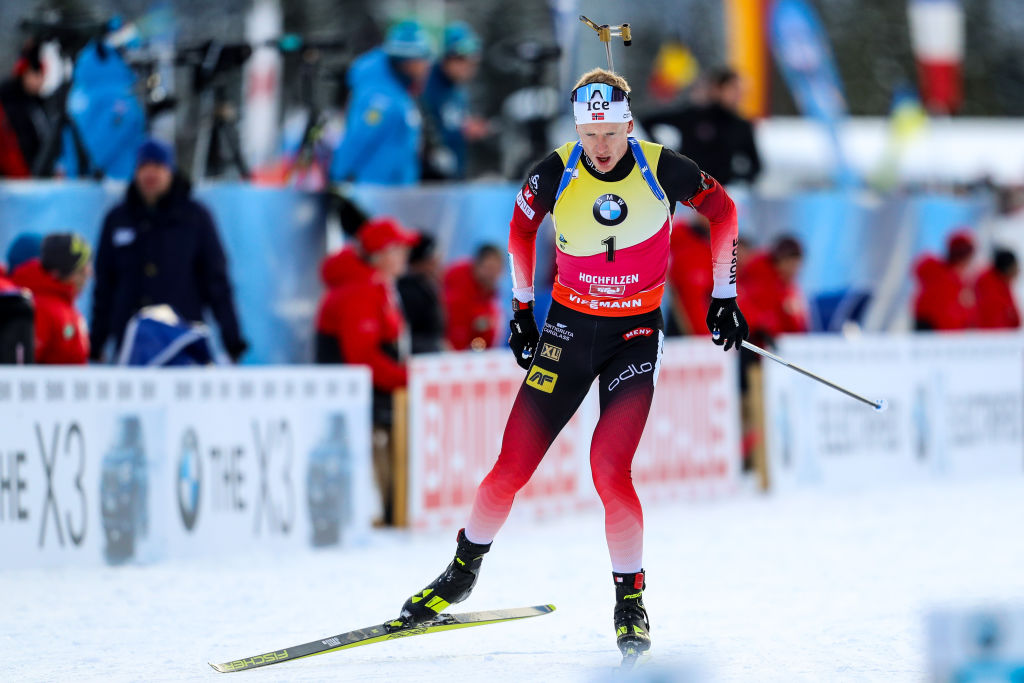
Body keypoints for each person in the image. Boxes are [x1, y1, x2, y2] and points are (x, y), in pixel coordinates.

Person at [397, 68, 747, 659]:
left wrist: (724, 295)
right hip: (568, 328)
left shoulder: (663, 166)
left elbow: (725, 213)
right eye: (590, 134)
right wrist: (520, 309)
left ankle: (630, 602)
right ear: (578, 130)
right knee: (511, 466)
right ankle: (462, 570)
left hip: (634, 334)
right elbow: (518, 230)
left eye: (611, 133)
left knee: (609, 470)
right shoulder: (554, 170)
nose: (601, 148)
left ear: (628, 126)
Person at [90, 139, 248, 362]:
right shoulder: (117, 219)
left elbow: (217, 282)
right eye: (144, 166)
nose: (151, 173)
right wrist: (96, 342)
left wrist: (233, 340)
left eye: (158, 166)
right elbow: (104, 287)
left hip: (182, 340)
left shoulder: (195, 217)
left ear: (170, 170)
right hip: (130, 342)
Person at [315, 217, 417, 524]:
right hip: (361, 404)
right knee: (375, 464)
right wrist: (407, 379)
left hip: (372, 399)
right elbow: (362, 357)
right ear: (382, 254)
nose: (405, 255)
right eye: (399, 249)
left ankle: (387, 513)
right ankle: (382, 515)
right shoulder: (360, 291)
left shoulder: (376, 285)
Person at [329, 20, 433, 185]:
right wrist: (339, 177)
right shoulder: (380, 98)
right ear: (408, 62)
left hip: (394, 196)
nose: (427, 66)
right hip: (373, 196)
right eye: (423, 59)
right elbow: (358, 139)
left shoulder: (399, 91)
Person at [641, 67, 761, 186]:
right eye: (733, 89)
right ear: (717, 89)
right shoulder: (693, 115)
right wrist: (666, 155)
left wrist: (733, 177)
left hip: (720, 194)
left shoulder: (741, 125)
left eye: (741, 91)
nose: (739, 95)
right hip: (685, 192)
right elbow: (648, 121)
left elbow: (755, 167)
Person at [11, 233, 91, 364]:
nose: (89, 275)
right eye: (82, 271)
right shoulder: (42, 308)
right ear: (62, 273)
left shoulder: (63, 306)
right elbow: (22, 367)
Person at [421, 22, 487, 180]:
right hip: (429, 179)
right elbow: (425, 133)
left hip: (453, 175)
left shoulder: (458, 89)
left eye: (472, 62)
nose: (469, 68)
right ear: (448, 58)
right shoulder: (427, 86)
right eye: (463, 61)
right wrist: (462, 131)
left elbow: (455, 122)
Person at [737, 235, 809, 346]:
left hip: (771, 349)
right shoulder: (757, 277)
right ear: (780, 261)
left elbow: (798, 329)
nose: (793, 271)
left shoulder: (788, 288)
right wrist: (764, 327)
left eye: (796, 266)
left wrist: (791, 315)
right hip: (750, 346)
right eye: (791, 265)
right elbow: (746, 311)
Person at [0, 42, 52, 178]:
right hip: (17, 181)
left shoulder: (38, 103)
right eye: (37, 74)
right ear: (24, 72)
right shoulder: (9, 104)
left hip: (35, 179)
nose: (41, 80)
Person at [443, 244, 504, 351]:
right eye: (489, 268)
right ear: (477, 266)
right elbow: (454, 329)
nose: (492, 274)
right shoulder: (459, 285)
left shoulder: (488, 294)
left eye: (497, 269)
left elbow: (486, 337)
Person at [913, 230, 976, 331]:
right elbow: (944, 314)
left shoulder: (962, 280)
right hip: (934, 335)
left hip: (945, 336)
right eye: (968, 253)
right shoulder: (939, 272)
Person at [397, 233, 446, 354]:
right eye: (434, 257)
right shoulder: (408, 290)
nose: (438, 261)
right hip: (420, 357)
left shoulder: (425, 285)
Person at [975, 248, 1020, 330]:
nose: (1018, 271)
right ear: (1007, 269)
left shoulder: (1003, 283)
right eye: (1015, 267)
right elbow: (993, 320)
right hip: (991, 337)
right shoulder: (988, 284)